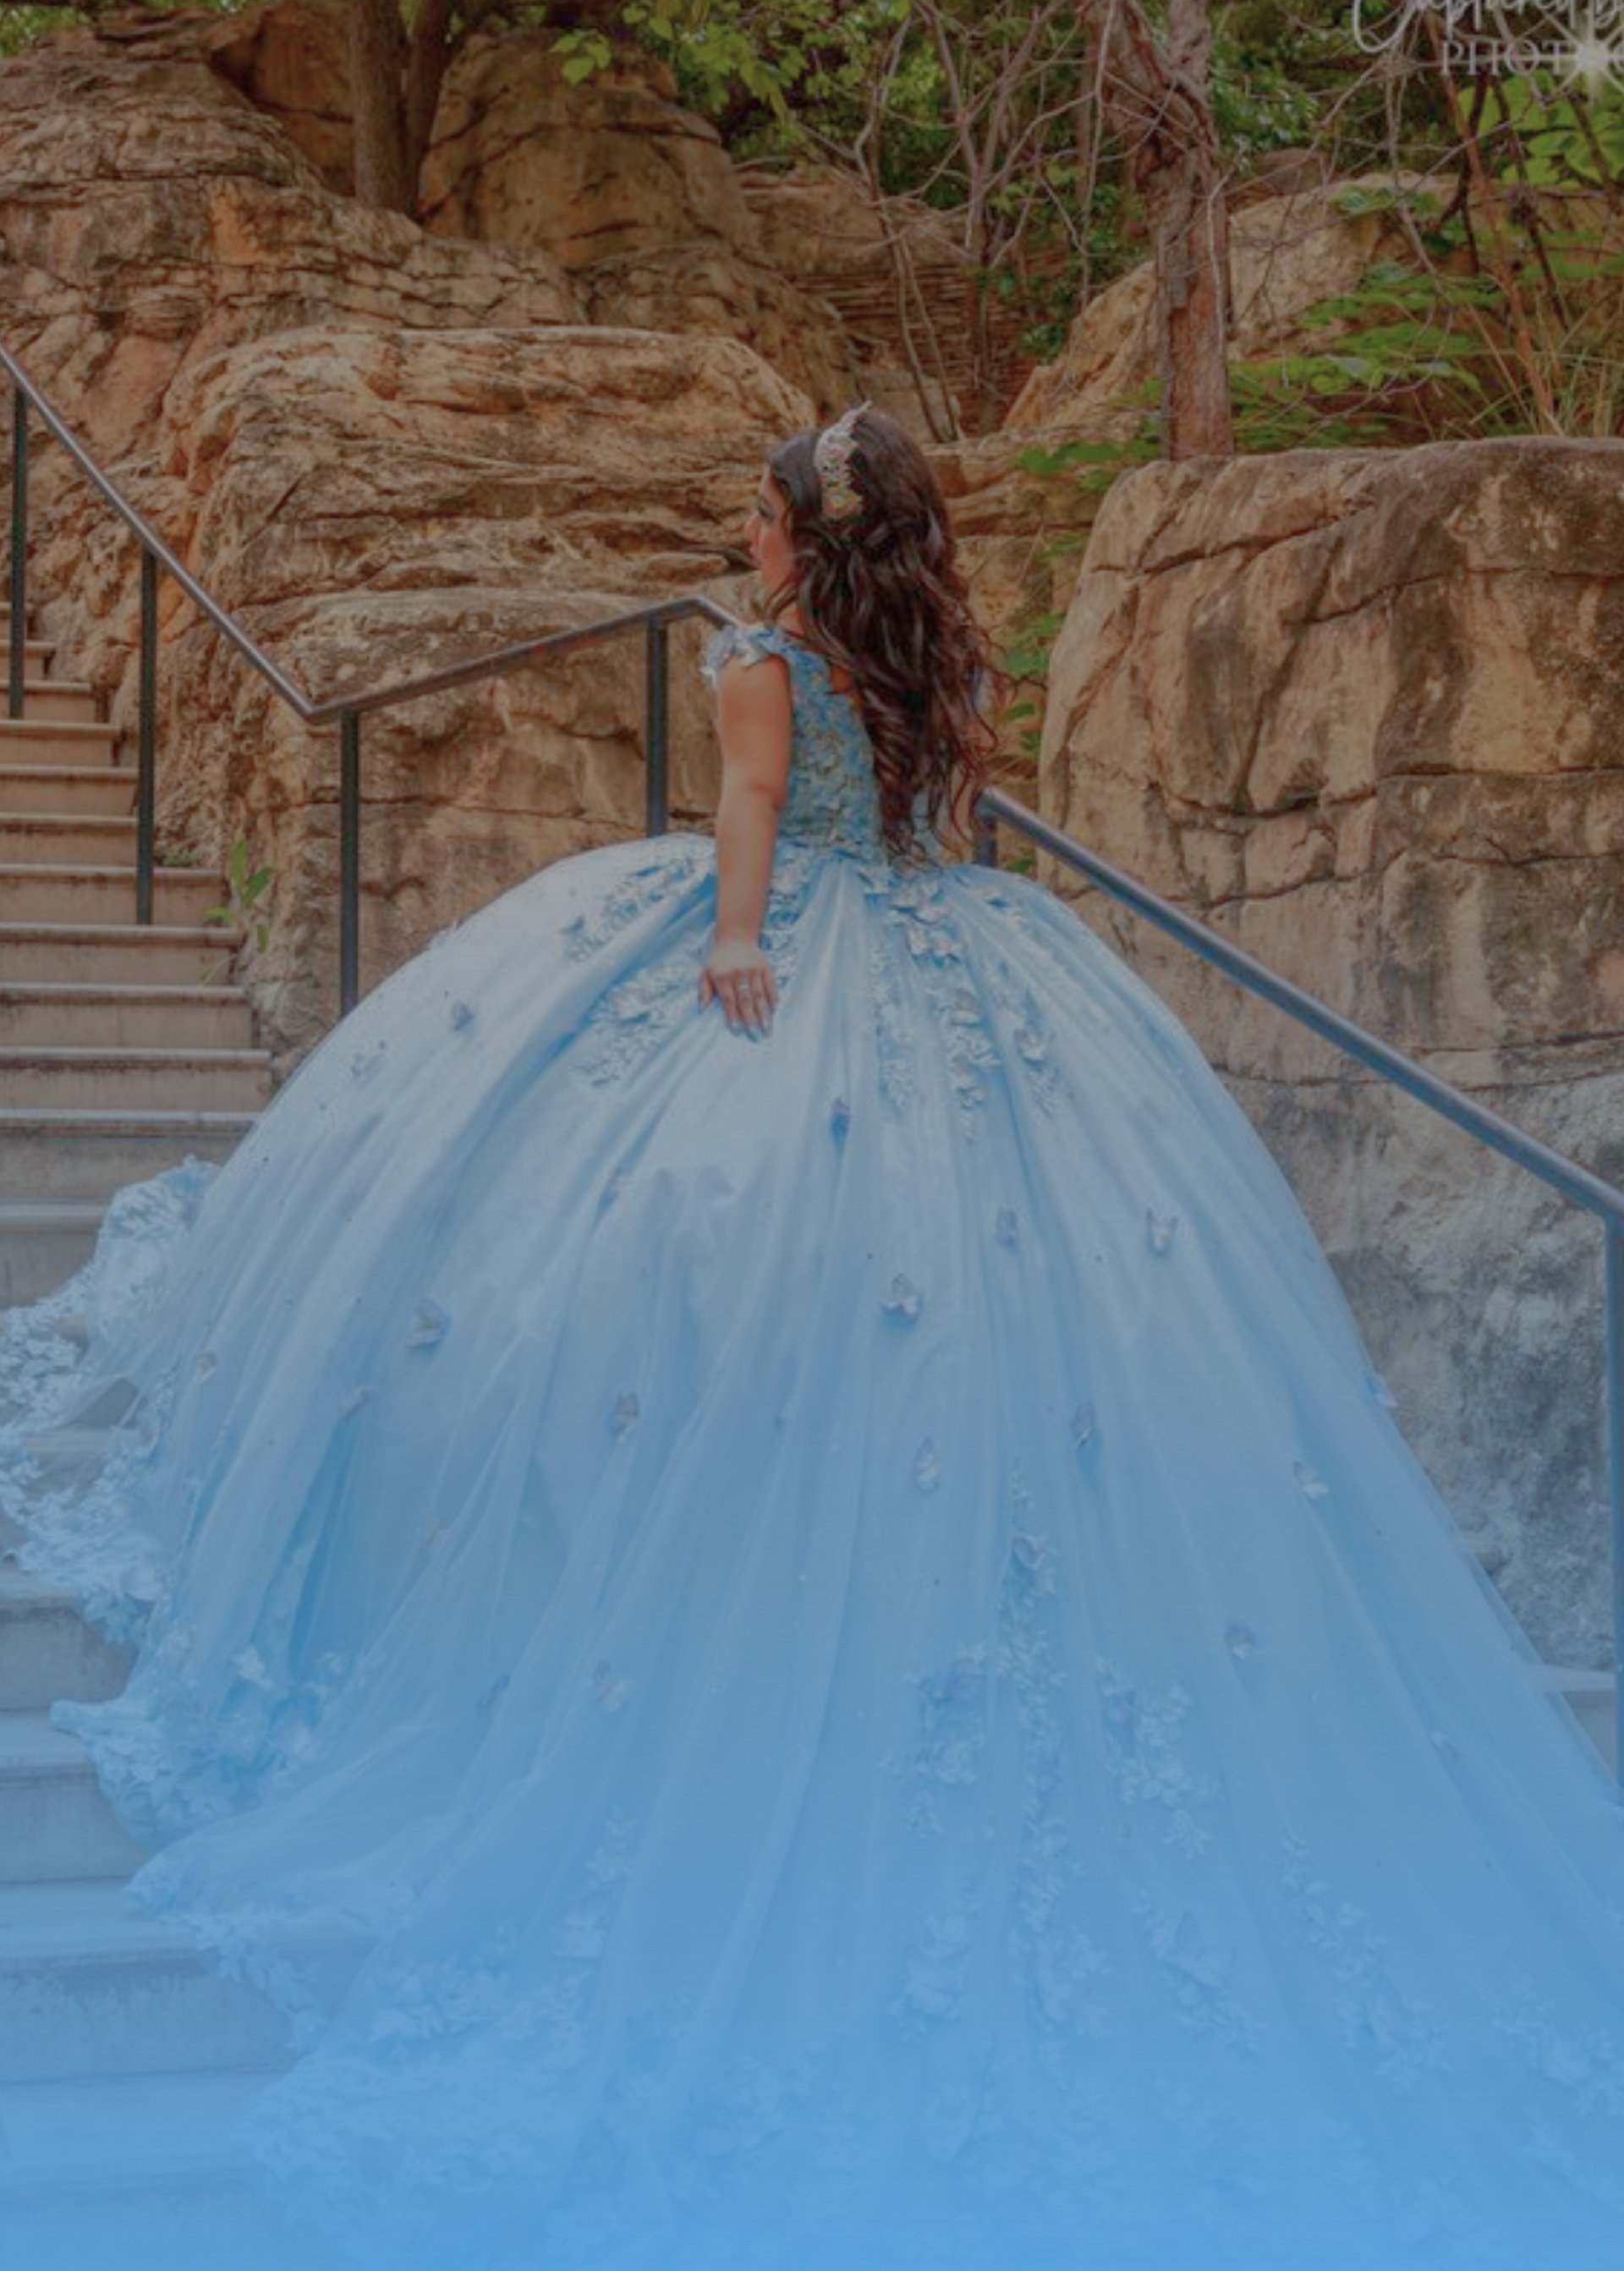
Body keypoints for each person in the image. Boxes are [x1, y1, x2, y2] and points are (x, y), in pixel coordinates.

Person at [3, 403, 1624, 2271]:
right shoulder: (938, 652)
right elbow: (953, 827)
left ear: (801, 540)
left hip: (815, 944)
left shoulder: (762, 664)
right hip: (976, 962)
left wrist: (736, 944)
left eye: (758, 517)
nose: (743, 540)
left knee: (654, 1232)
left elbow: (750, 813)